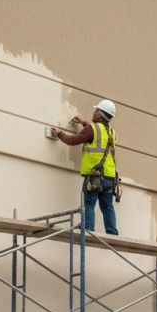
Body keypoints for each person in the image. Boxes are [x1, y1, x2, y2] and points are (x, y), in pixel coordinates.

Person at [51, 99, 119, 235]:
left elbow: (72, 140)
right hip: (109, 177)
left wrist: (59, 133)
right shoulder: (111, 132)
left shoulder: (92, 129)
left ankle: (88, 229)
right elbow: (96, 135)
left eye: (96, 111)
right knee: (107, 205)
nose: (93, 113)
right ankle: (112, 231)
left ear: (101, 114)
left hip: (95, 175)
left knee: (89, 203)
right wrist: (83, 122)